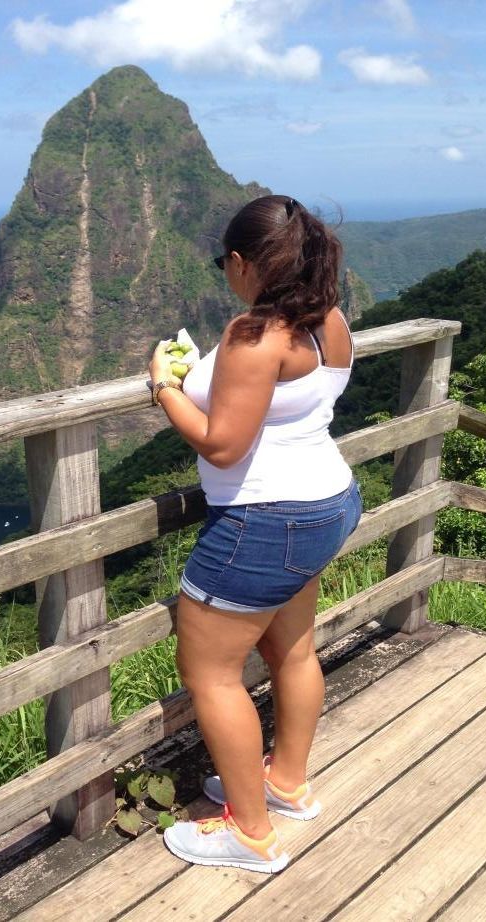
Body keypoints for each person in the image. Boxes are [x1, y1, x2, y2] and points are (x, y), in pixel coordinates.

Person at [147, 194, 362, 874]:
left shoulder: (254, 335)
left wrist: (164, 389)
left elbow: (222, 446)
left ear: (243, 263)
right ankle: (285, 783)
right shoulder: (330, 323)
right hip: (327, 502)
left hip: (265, 520)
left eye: (225, 263)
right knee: (292, 651)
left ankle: (251, 833)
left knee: (210, 676)